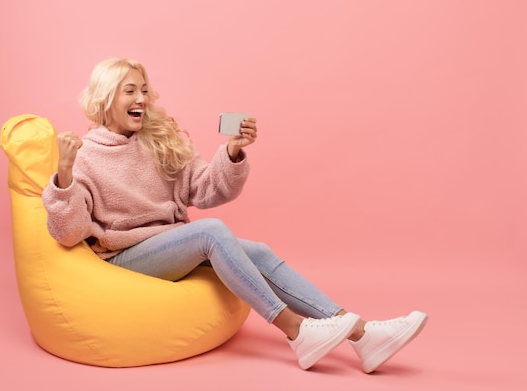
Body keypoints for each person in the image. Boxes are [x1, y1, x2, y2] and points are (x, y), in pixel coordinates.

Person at [42, 57, 428, 373]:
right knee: (209, 233)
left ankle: (363, 335)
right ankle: (294, 330)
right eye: (131, 90)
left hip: (172, 247)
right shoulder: (88, 155)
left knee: (256, 251)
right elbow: (69, 232)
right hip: (127, 258)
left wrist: (232, 152)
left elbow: (209, 190)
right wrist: (64, 175)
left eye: (144, 89)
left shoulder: (159, 140)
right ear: (107, 98)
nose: (141, 97)